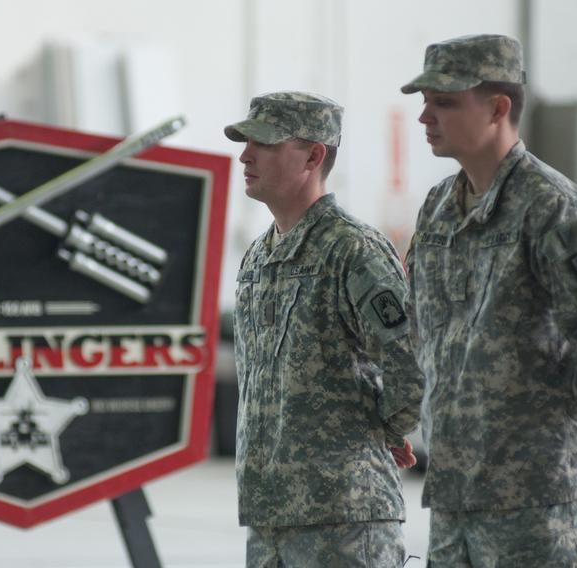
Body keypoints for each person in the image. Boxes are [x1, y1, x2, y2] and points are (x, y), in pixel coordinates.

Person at [400, 34, 577, 566]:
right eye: (424, 101)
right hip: (455, 497)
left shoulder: (552, 208)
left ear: (498, 108)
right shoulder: (438, 208)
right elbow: (425, 328)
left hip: (537, 501)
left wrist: (555, 401)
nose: (425, 115)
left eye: (444, 102)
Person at [225, 91, 425, 566]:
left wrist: (384, 432)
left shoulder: (352, 250)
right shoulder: (258, 257)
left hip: (343, 518)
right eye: (246, 142)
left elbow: (411, 364)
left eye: (266, 144)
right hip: (270, 516)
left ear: (314, 156)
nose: (245, 155)